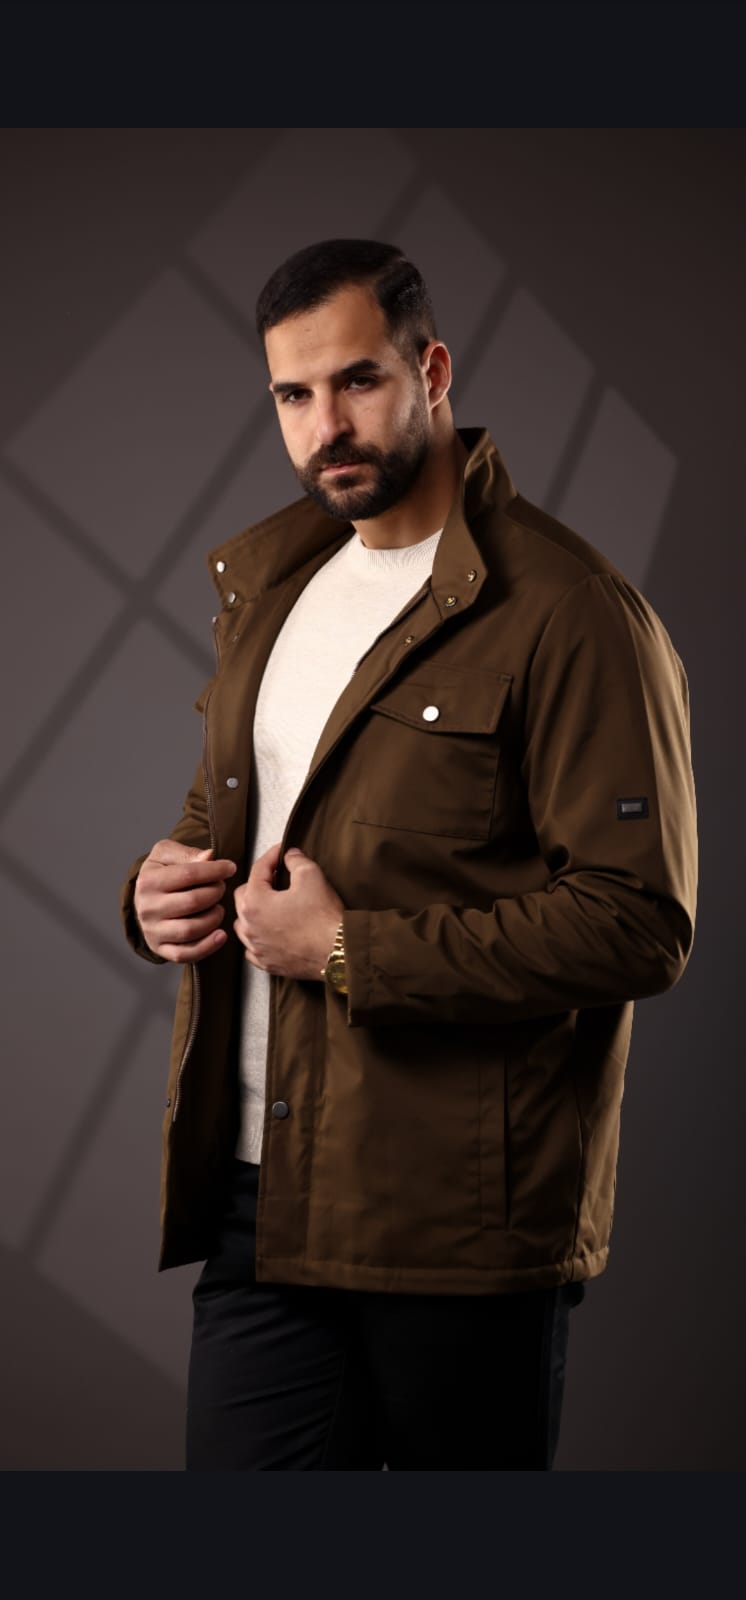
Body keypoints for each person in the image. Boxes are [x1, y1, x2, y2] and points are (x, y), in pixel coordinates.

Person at [120, 238, 698, 1471]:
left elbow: (637, 920)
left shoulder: (570, 611)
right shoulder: (273, 592)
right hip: (261, 1200)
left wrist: (348, 950)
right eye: (292, 394)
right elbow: (222, 820)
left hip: (457, 1227)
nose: (324, 425)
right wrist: (155, 890)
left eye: (357, 380)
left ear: (430, 372)